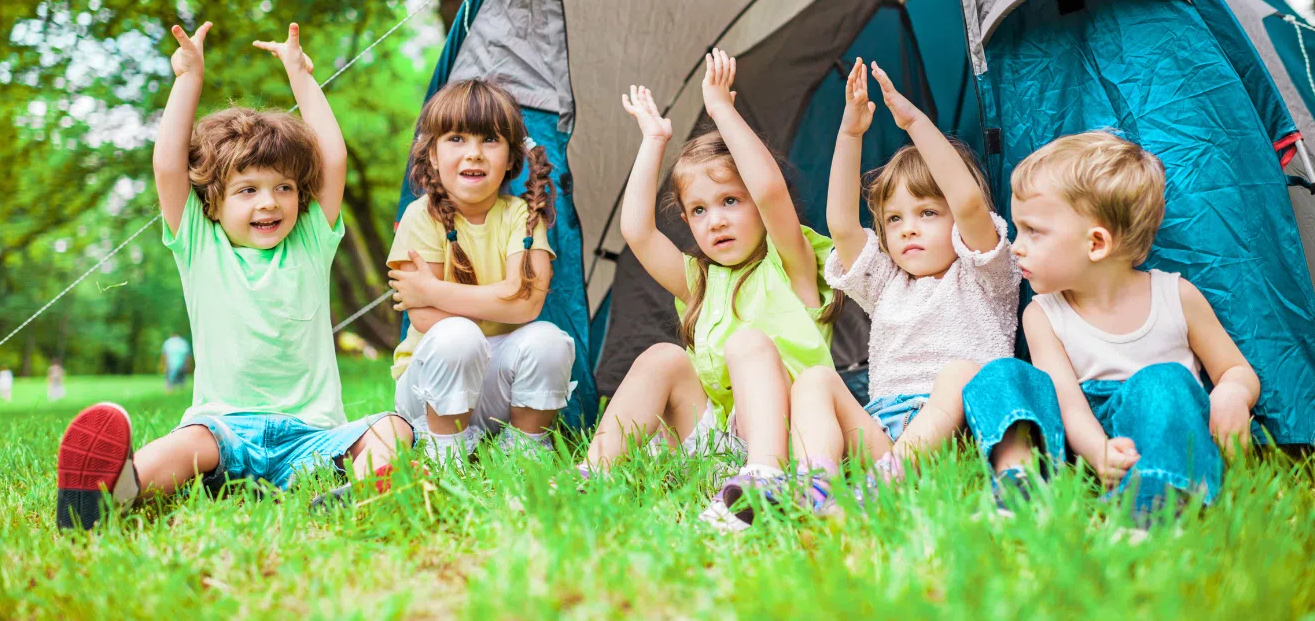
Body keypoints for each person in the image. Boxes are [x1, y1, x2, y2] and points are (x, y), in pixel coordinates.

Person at [54, 21, 413, 531]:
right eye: (247, 190)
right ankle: (108, 497)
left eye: (284, 187)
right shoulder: (200, 246)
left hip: (312, 435)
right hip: (222, 430)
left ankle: (360, 491)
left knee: (392, 428)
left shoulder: (310, 242)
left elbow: (332, 158)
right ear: (213, 202)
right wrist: (188, 81)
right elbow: (167, 168)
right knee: (180, 447)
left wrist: (301, 76)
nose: (269, 202)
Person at [583, 49, 842, 531]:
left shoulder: (792, 263)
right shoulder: (701, 281)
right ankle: (594, 473)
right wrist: (654, 141)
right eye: (699, 211)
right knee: (663, 356)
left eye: (729, 201)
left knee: (748, 343)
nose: (716, 218)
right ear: (686, 221)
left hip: (789, 440)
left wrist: (721, 109)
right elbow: (638, 234)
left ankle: (763, 481)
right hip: (723, 446)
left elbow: (770, 192)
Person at [962, 132, 1259, 519]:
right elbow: (1066, 400)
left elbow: (1236, 369)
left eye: (1033, 231)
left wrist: (1232, 393)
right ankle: (1019, 483)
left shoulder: (1176, 296)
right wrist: (1097, 450)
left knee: (1164, 381)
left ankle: (1155, 497)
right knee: (999, 374)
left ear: (1097, 243)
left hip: (1155, 430)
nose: (1015, 246)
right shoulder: (1042, 313)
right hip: (1081, 435)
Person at [787, 59, 1020, 508]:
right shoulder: (887, 284)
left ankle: (884, 484)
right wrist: (850, 134)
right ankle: (816, 488)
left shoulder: (985, 275)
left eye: (927, 213)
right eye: (895, 219)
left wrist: (913, 122)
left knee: (961, 373)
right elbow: (841, 224)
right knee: (814, 379)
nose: (908, 229)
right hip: (886, 437)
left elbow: (968, 202)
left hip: (957, 434)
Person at [386, 78, 574, 465]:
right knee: (458, 334)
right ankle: (445, 453)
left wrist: (433, 290)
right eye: (457, 139)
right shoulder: (420, 216)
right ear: (433, 154)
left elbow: (526, 305)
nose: (474, 154)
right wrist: (500, 298)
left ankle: (525, 451)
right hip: (427, 389)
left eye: (490, 140)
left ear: (510, 158)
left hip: (494, 387)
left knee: (549, 340)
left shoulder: (522, 215)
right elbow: (424, 316)